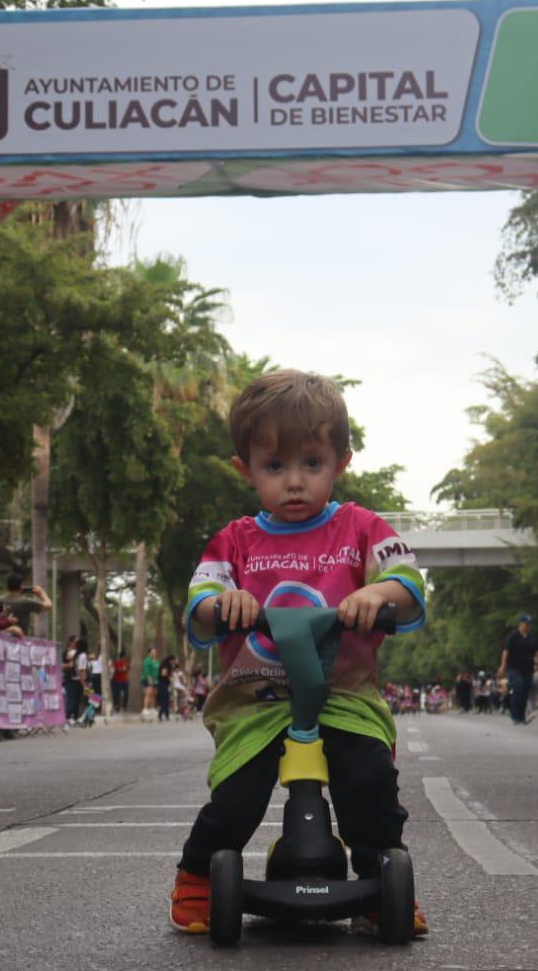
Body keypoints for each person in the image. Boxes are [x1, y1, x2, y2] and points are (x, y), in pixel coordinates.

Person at [168, 369, 428, 937]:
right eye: (275, 466)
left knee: (369, 783)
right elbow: (201, 601)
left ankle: (379, 875)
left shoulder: (362, 529)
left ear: (341, 462)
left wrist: (375, 593)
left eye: (312, 464)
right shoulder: (234, 541)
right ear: (246, 470)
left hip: (343, 694)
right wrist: (225, 603)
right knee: (236, 797)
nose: (294, 482)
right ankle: (196, 876)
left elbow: (408, 584)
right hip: (257, 698)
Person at [497, 615, 538, 725]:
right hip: (514, 668)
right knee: (518, 688)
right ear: (521, 624)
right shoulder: (513, 636)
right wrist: (503, 666)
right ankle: (515, 715)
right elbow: (506, 651)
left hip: (528, 669)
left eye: (530, 624)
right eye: (526, 624)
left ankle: (522, 717)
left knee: (525, 692)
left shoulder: (532, 638)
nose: (528, 626)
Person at [141, 645, 161, 721]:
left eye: (155, 652)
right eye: (152, 652)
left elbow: (158, 671)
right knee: (149, 693)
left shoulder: (156, 661)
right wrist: (150, 681)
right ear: (149, 653)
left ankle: (152, 708)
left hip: (156, 680)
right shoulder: (147, 660)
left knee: (154, 694)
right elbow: (147, 671)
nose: (154, 653)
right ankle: (145, 709)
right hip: (147, 679)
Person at [157, 653, 174, 721]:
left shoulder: (167, 664)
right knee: (165, 700)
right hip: (163, 683)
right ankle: (160, 715)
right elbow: (163, 673)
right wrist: (170, 678)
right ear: (171, 660)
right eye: (173, 661)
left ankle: (166, 715)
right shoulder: (165, 664)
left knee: (166, 699)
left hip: (165, 683)